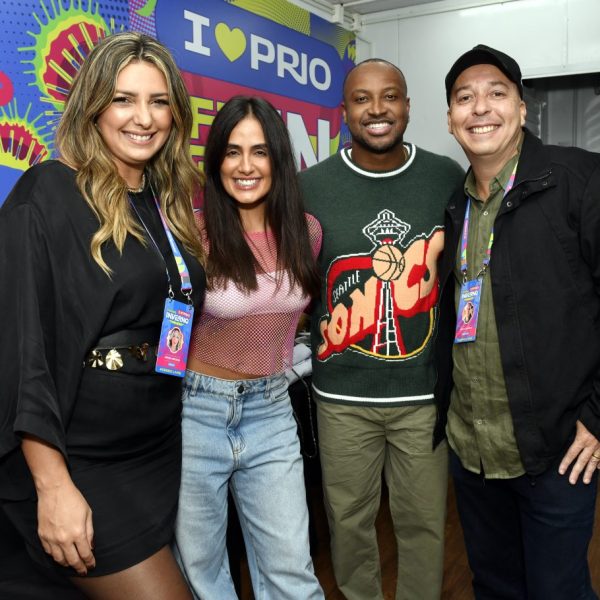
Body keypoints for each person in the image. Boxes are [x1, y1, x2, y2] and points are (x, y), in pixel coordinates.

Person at [0, 32, 205, 599]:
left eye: (159, 101)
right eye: (123, 99)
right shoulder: (48, 192)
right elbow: (24, 353)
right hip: (82, 457)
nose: (144, 117)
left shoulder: (163, 202)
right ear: (92, 105)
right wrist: (52, 482)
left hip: (154, 446)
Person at [437, 44, 600, 599]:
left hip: (557, 453)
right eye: (465, 98)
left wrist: (598, 416)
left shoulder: (578, 180)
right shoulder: (455, 208)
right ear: (450, 119)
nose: (480, 107)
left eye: (496, 93)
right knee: (496, 587)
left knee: (559, 591)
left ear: (523, 109)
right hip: (474, 453)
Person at [298, 59, 464, 600]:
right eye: (362, 99)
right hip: (341, 395)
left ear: (409, 106)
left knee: (422, 525)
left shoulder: (446, 177)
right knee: (348, 525)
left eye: (389, 97)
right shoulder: (309, 187)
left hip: (421, 394)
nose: (377, 110)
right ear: (344, 111)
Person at [174, 95, 324, 600]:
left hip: (272, 409)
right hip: (197, 412)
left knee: (292, 573)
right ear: (215, 160)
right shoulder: (195, 237)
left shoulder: (305, 233)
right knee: (203, 572)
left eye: (259, 152)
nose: (245, 166)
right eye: (232, 151)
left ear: (278, 159)